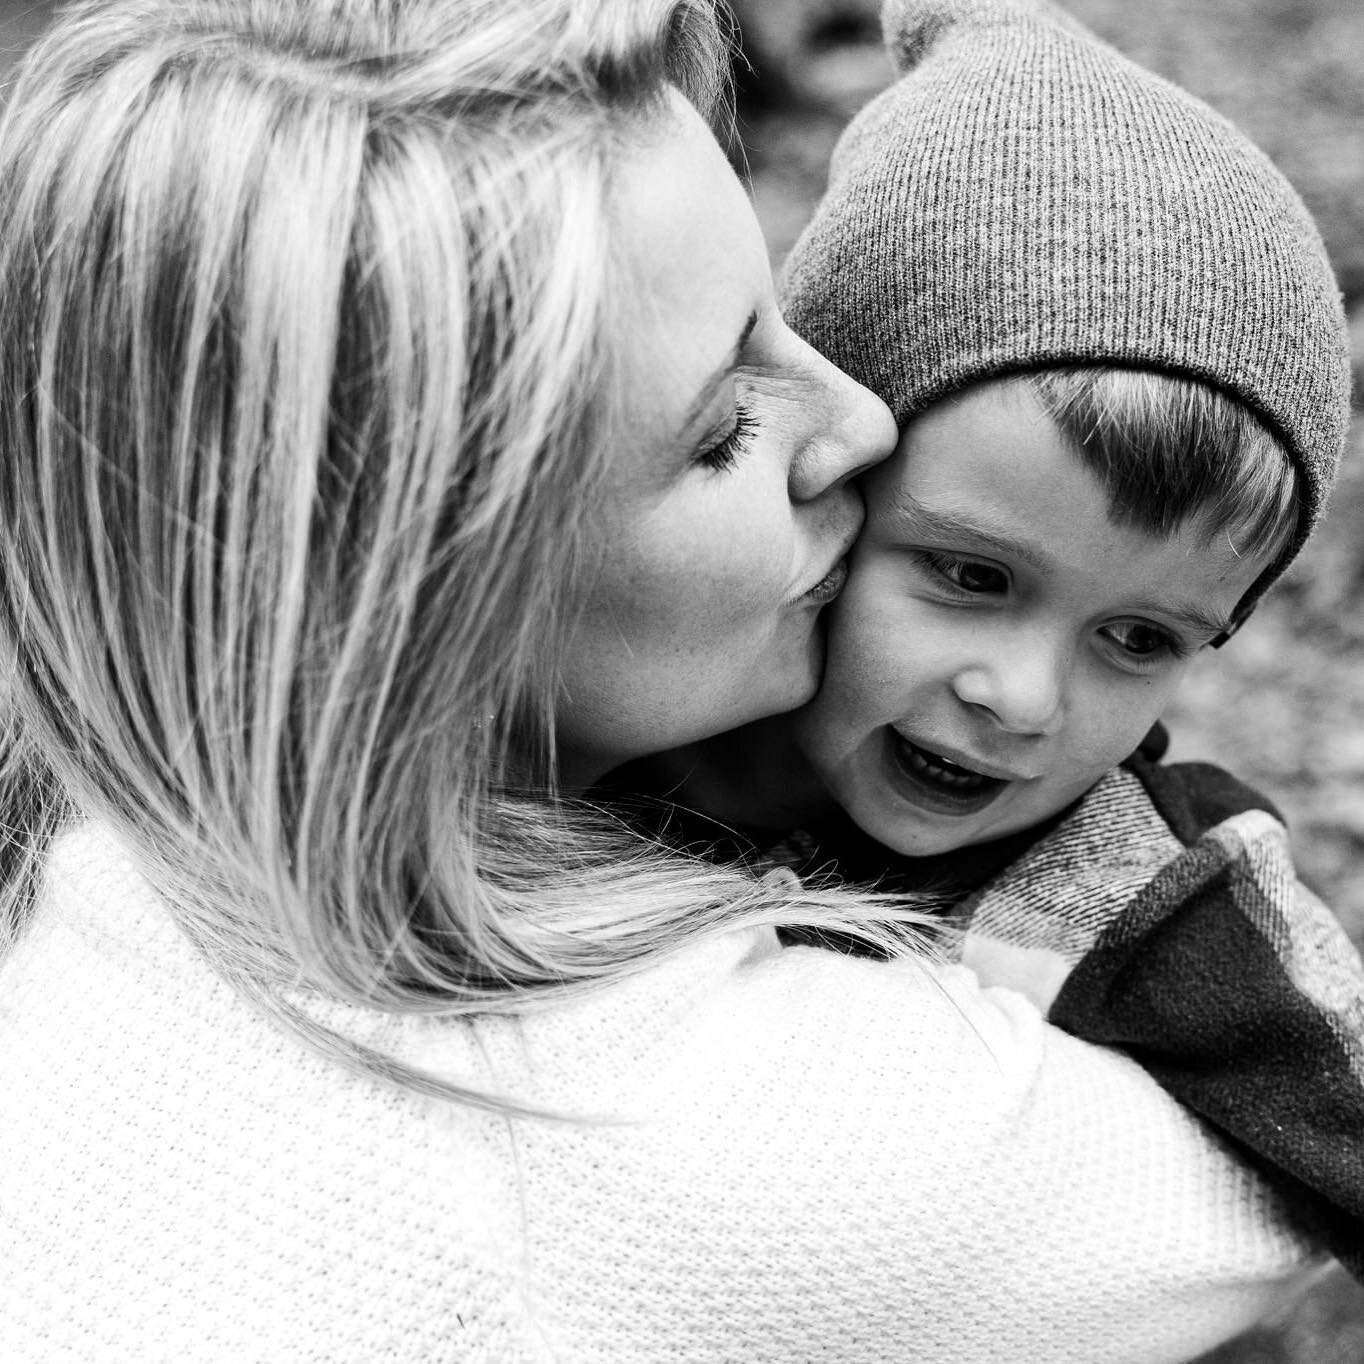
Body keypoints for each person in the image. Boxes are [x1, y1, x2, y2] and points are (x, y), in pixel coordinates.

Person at [0, 0, 1334, 1359]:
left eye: (769, 311)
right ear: (428, 586)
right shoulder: (694, 1126)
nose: (862, 420)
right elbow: (1255, 1209)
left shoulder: (93, 859)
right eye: (718, 429)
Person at [621, 0, 1364, 1284]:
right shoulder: (618, 717)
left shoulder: (1123, 886)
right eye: (969, 574)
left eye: (1136, 636)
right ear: (831, 473)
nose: (1021, 697)